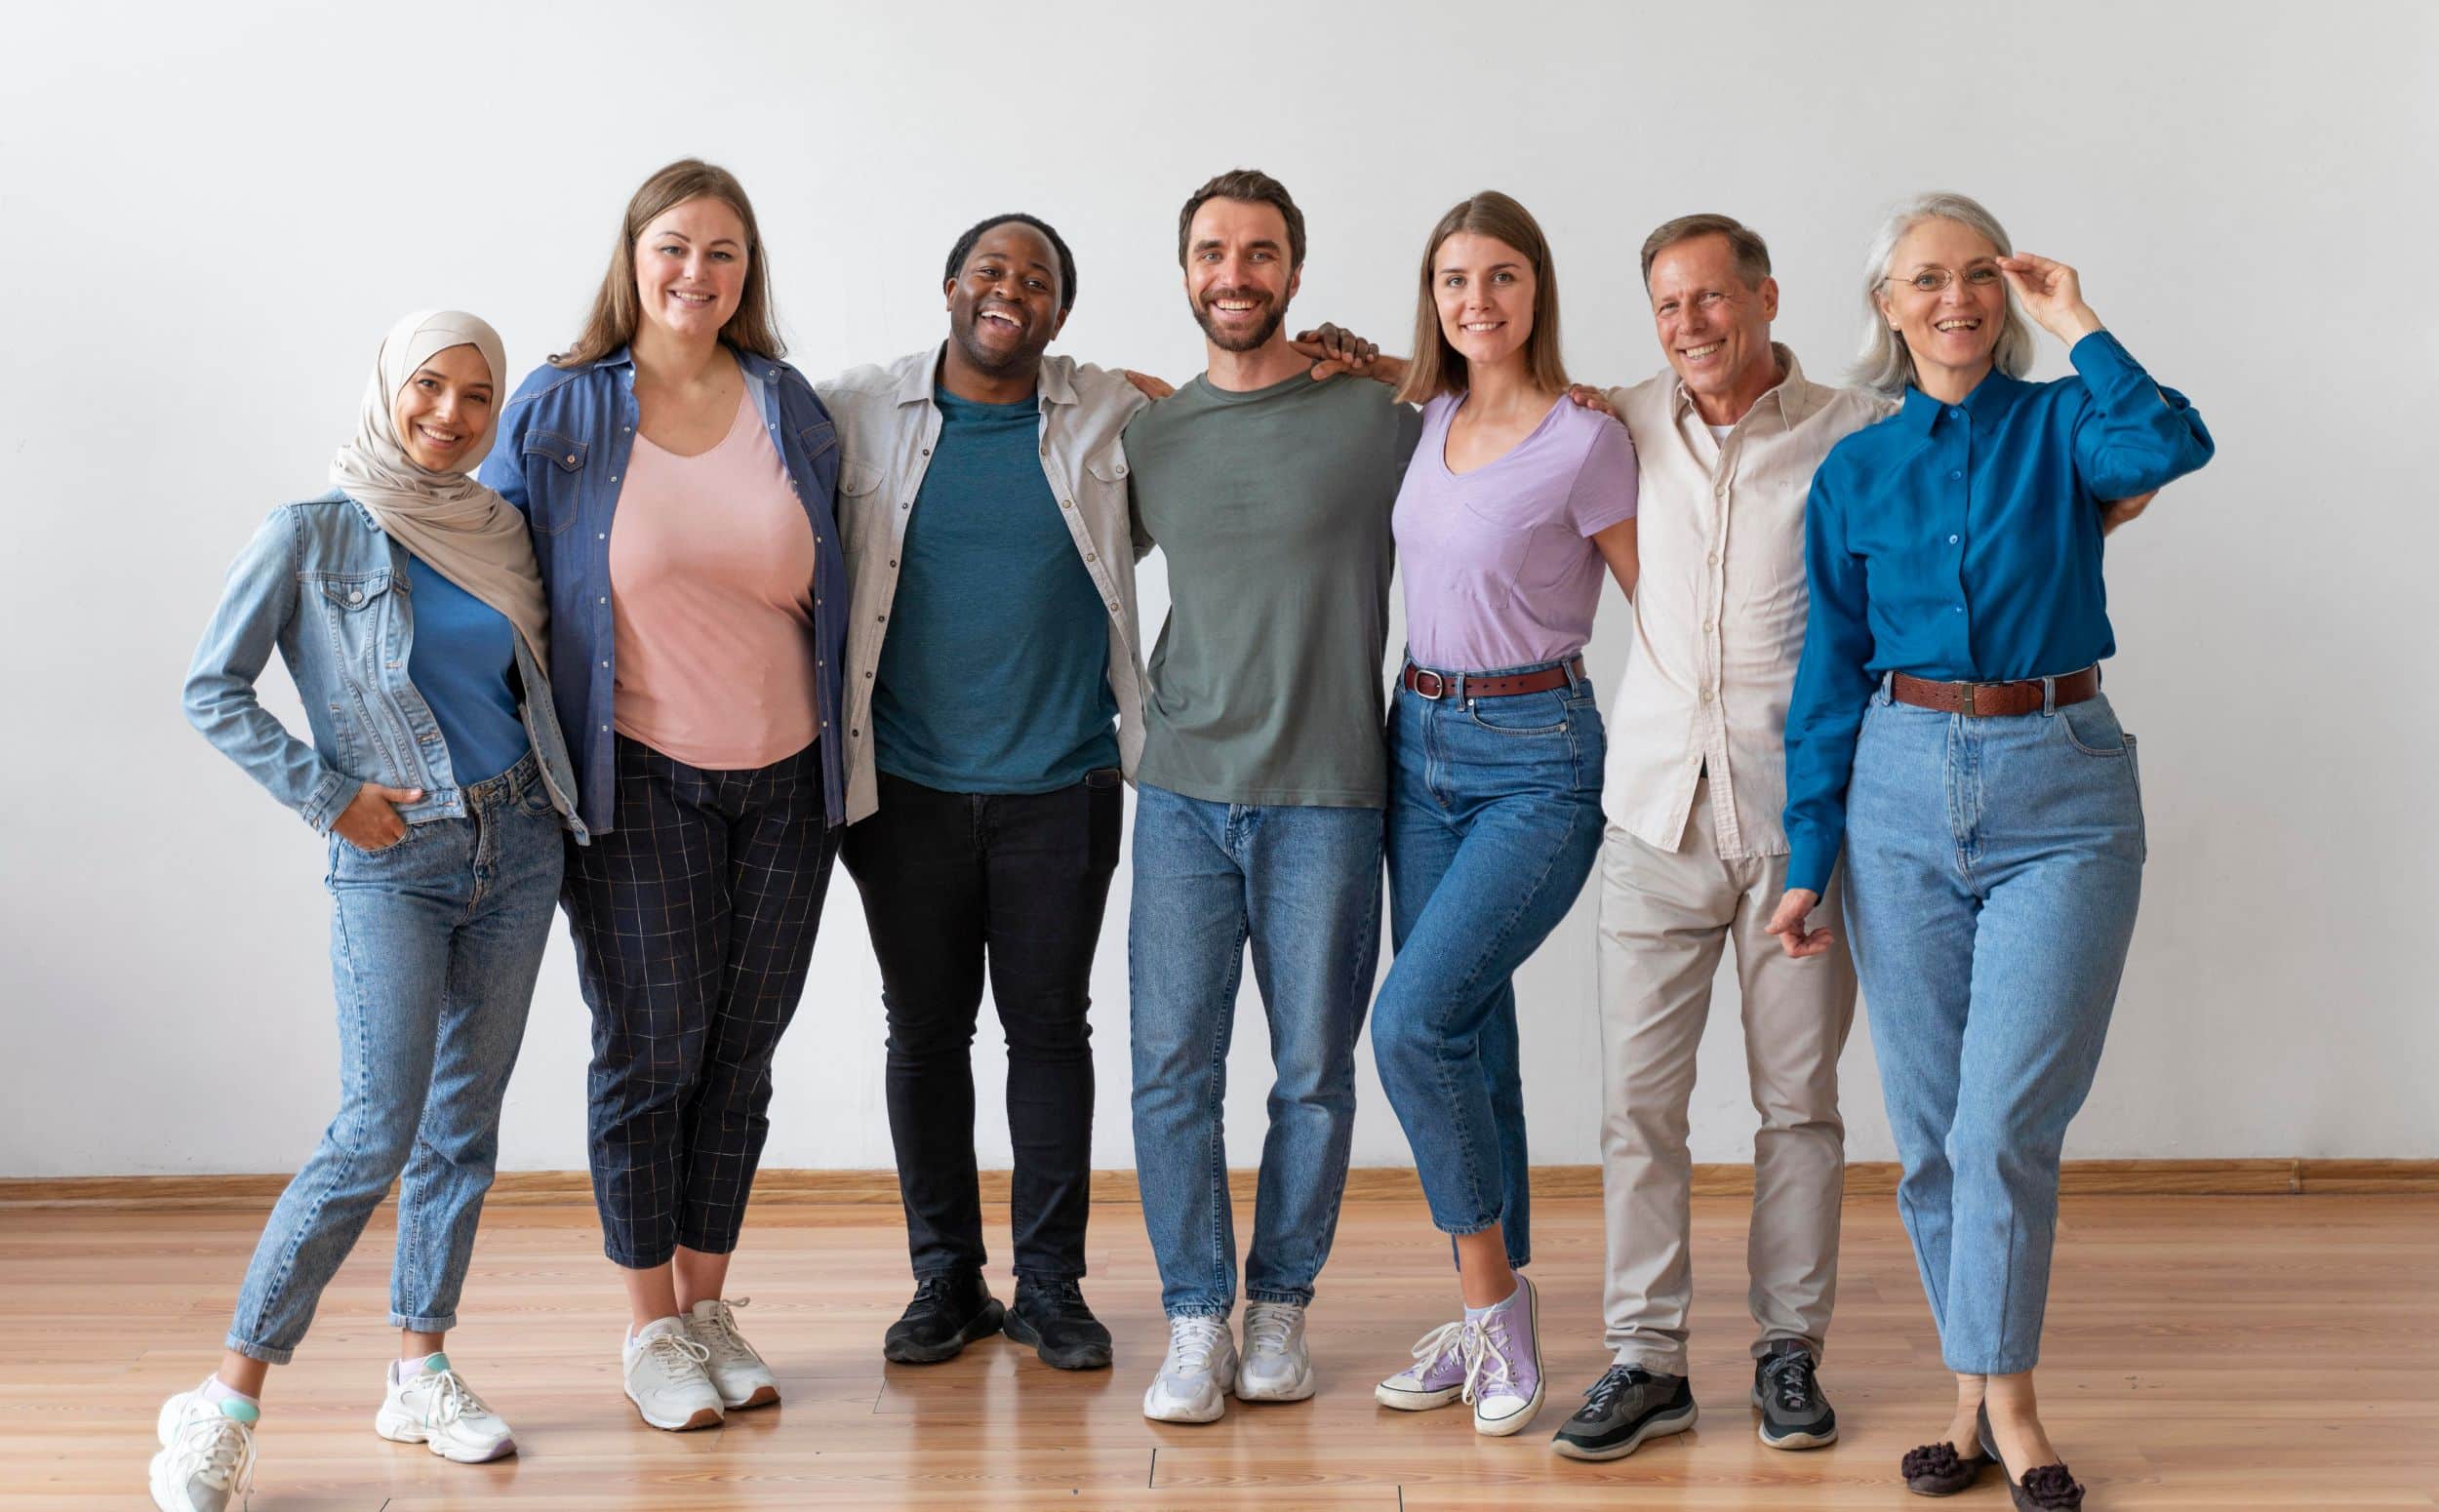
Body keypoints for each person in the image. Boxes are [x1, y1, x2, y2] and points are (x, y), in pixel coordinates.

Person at [1772, 191, 2213, 1509]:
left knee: (2002, 1119)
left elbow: (2173, 440)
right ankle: (1968, 1396)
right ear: (1887, 305)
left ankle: (2006, 1407)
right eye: (1925, 278)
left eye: (1979, 274)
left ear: (2007, 292)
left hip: (2060, 787)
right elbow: (1829, 672)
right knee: (1927, 1134)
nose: (1954, 297)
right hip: (1896, 790)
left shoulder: (2067, 423)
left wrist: (2076, 318)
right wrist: (1807, 853)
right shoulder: (1855, 469)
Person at [158, 311, 583, 1512]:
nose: (451, 414)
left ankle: (419, 1369)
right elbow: (211, 687)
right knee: (371, 1130)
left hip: (521, 843)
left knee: (462, 1127)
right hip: (395, 856)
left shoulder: (501, 529)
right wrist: (327, 793)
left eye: (478, 396)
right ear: (389, 389)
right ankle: (224, 1401)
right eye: (429, 386)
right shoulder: (311, 530)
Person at [481, 159, 849, 1432]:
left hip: (790, 780)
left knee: (740, 1055)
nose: (697, 272)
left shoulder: (788, 404)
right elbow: (492, 577)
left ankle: (705, 1305)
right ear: (633, 259)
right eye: (675, 247)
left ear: (749, 272)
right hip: (636, 777)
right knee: (651, 1050)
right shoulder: (564, 406)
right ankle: (647, 1324)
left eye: (723, 252)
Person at [1543, 213, 1887, 1462]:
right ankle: (1646, 1358)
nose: (1688, 325)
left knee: (1797, 1104)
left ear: (1764, 296)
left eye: (1709, 298)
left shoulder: (1856, 429)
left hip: (1798, 826)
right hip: (1652, 815)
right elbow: (1485, 385)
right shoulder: (1620, 419)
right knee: (1638, 1107)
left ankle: (1788, 1347)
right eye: (1667, 305)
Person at [820, 213, 1152, 1372]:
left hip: (1062, 784)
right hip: (903, 786)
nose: (1011, 289)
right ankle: (946, 1278)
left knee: (1049, 1030)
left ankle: (1050, 1284)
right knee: (924, 1032)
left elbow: (1222, 403)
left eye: (1038, 279)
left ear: (1060, 311)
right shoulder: (860, 408)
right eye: (991, 270)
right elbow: (730, 402)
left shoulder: (1106, 412)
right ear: (951, 285)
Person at [1126, 168, 1419, 1424]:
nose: (1233, 274)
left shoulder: (1377, 414)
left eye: (1258, 252)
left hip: (1328, 792)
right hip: (1182, 792)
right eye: (1212, 252)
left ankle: (1280, 1305)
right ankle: (1196, 1315)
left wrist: (1390, 357)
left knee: (1310, 1069)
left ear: (1295, 270)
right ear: (1185, 270)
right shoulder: (1149, 435)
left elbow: (1507, 403)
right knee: (1170, 1069)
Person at [1363, 192, 1635, 1440]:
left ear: (1539, 289)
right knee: (1470, 1037)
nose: (1477, 300)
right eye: (1454, 278)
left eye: (1502, 276)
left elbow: (1662, 607)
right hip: (1416, 741)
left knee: (1412, 1022)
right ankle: (1496, 1306)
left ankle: (1491, 1307)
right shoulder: (1425, 415)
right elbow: (1365, 370)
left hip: (1537, 757)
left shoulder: (1587, 438)